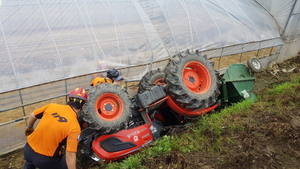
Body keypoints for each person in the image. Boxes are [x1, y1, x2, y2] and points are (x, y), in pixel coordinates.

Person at [23, 87, 88, 169]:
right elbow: (70, 155)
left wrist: (30, 127)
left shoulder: (52, 106)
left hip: (27, 150)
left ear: (69, 99)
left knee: (30, 162)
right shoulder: (74, 127)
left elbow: (32, 116)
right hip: (45, 160)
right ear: (83, 105)